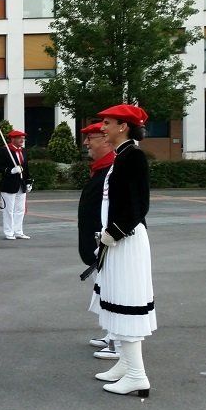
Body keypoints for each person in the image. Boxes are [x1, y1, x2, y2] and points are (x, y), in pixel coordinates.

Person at [89, 104, 155, 397]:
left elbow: (139, 205)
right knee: (114, 300)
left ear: (123, 126)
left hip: (126, 240)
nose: (102, 128)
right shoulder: (122, 156)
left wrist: (114, 232)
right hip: (116, 240)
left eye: (107, 123)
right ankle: (126, 365)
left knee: (126, 303)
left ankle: (138, 376)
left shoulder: (133, 156)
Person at [77, 122, 119, 361]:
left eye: (90, 138)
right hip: (96, 245)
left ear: (105, 139)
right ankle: (111, 332)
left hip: (106, 244)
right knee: (104, 291)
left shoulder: (113, 169)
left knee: (114, 292)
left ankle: (118, 340)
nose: (86, 143)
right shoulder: (103, 168)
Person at [0, 129, 31, 240]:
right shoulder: (5, 150)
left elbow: (26, 168)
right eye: (20, 138)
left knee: (20, 210)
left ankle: (18, 231)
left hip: (21, 184)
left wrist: (28, 181)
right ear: (13, 139)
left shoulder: (23, 151)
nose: (22, 140)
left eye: (23, 138)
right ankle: (9, 232)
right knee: (8, 210)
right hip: (8, 185)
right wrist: (10, 170)